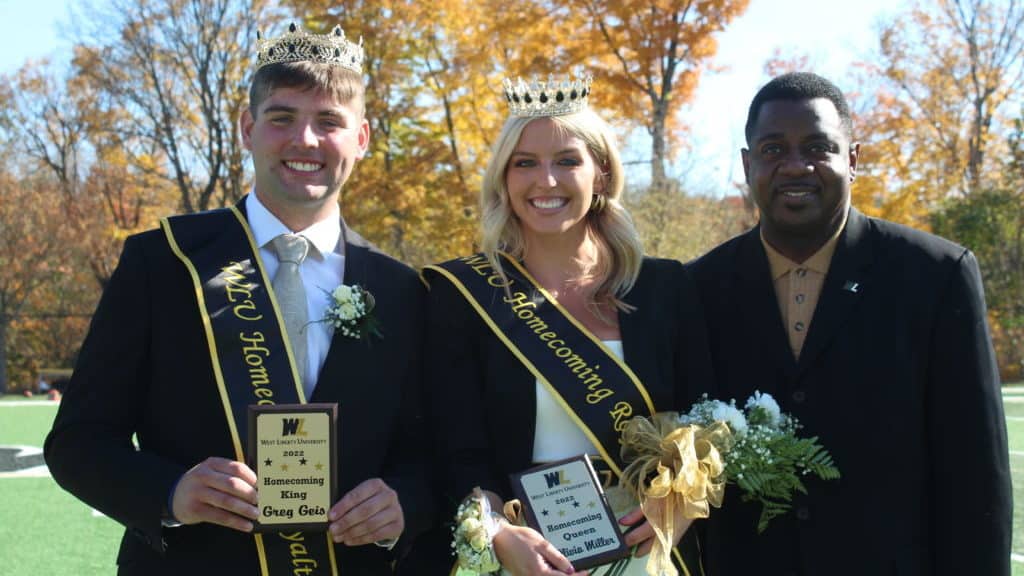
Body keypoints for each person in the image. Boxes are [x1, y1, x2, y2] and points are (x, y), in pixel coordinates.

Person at [44, 22, 429, 575]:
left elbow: (433, 456)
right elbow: (78, 441)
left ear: (362, 138)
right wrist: (171, 494)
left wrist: (404, 504)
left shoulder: (400, 288)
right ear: (247, 128)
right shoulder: (164, 262)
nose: (305, 141)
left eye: (329, 122)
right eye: (282, 118)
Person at [688, 72, 1012, 575]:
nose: (796, 166)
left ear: (853, 160)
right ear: (747, 164)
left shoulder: (935, 275)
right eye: (774, 150)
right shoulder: (696, 289)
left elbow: (976, 476)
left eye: (818, 147)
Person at [420, 74, 713, 576]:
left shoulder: (666, 286)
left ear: (601, 173)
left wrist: (683, 497)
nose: (546, 181)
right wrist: (497, 534)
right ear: (504, 179)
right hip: (527, 556)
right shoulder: (464, 296)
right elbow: (458, 453)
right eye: (525, 163)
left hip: (647, 551)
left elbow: (707, 414)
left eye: (567, 161)